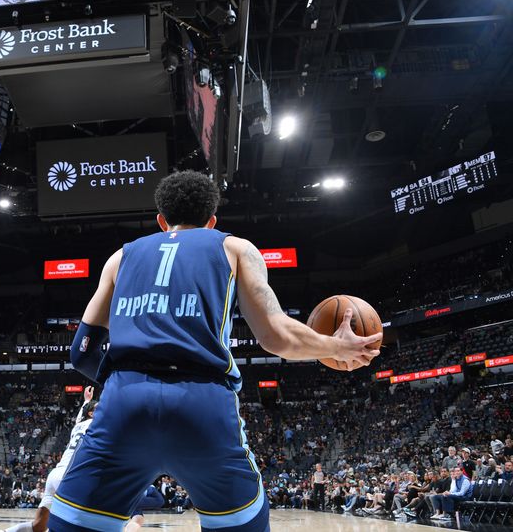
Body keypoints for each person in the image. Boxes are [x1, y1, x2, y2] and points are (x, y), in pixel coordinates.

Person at [47, 171, 381, 532]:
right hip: (202, 403)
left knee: (73, 525)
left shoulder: (120, 258)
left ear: (161, 220)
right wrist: (336, 345)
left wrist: (121, 385)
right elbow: (275, 336)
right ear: (212, 221)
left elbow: (82, 352)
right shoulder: (234, 248)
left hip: (123, 404)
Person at [5, 386, 97, 532]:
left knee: (38, 526)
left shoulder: (78, 426)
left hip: (55, 475)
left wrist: (86, 401)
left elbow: (81, 416)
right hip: (69, 477)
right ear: (92, 414)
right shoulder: (96, 424)